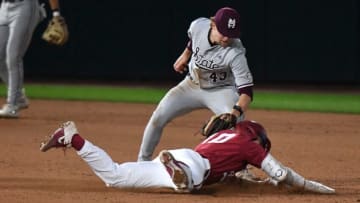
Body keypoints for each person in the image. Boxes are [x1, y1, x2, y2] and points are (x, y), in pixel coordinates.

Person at [40, 120, 335, 194]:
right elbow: (281, 174)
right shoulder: (249, 144)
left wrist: (262, 185)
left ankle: (74, 138)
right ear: (257, 137)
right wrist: (308, 184)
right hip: (194, 165)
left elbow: (239, 179)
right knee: (191, 183)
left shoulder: (229, 136)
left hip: (183, 154)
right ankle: (180, 174)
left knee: (115, 178)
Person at [138, 7, 254, 161]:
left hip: (221, 90)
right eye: (223, 32)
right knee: (158, 117)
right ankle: (142, 162)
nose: (226, 38)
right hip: (191, 86)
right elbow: (194, 40)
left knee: (237, 126)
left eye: (231, 34)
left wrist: (234, 114)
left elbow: (247, 92)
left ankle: (239, 171)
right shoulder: (198, 25)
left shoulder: (236, 52)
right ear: (212, 24)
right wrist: (185, 55)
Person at [0, 0, 66, 118]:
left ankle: (12, 105)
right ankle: (19, 97)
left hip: (25, 7)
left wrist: (56, 14)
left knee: (13, 56)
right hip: (5, 7)